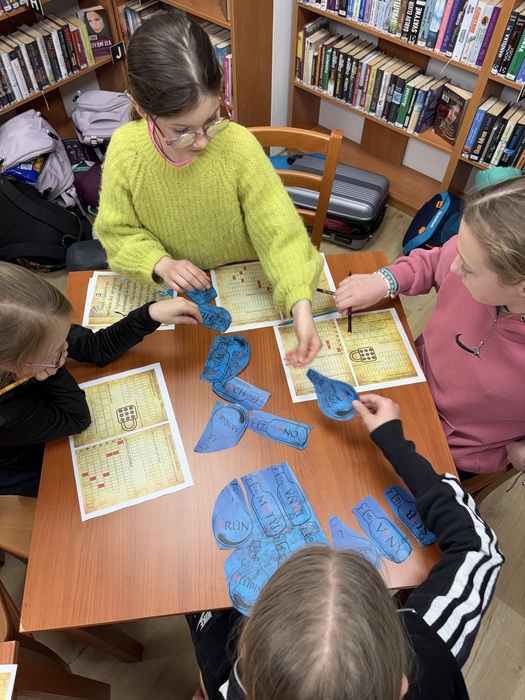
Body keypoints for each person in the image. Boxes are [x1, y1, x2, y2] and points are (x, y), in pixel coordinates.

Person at [194, 393, 503, 700]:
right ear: (402, 684)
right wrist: (396, 444)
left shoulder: (238, 685)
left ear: (245, 652)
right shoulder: (428, 655)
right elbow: (478, 549)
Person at [95, 13, 324, 368]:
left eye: (213, 120)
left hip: (244, 282)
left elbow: (280, 232)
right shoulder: (125, 151)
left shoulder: (238, 147)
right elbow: (116, 232)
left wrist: (300, 303)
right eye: (182, 131)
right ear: (141, 108)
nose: (202, 141)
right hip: (179, 297)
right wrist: (159, 262)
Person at [334, 176, 525, 477]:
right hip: (407, 379)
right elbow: (436, 260)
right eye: (459, 248)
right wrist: (384, 281)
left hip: (454, 451)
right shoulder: (470, 254)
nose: (454, 266)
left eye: (469, 268)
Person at [0, 262, 202, 497]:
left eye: (65, 335)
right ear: (16, 364)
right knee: (58, 487)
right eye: (55, 348)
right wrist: (55, 370)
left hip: (35, 397)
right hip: (25, 455)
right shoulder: (6, 414)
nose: (66, 345)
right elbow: (76, 419)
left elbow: (97, 347)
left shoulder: (33, 328)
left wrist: (149, 315)